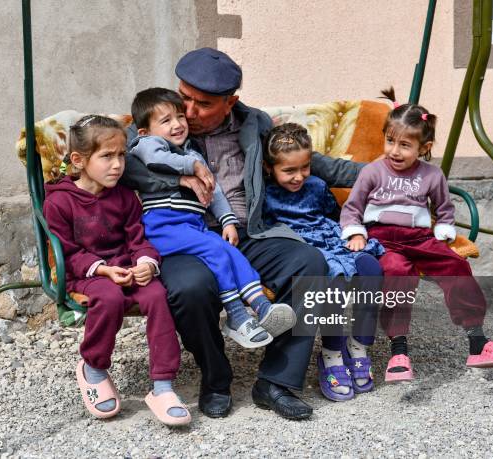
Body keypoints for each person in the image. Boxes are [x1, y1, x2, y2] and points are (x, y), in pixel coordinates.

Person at [121, 48, 365, 420]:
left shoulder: (254, 123)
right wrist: (180, 176)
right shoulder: (159, 117)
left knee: (310, 264)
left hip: (247, 232)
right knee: (190, 288)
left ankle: (276, 381)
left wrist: (385, 176)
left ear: (230, 102)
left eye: (202, 104)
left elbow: (308, 161)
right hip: (184, 234)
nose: (188, 111)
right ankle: (216, 378)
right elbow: (122, 166)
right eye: (184, 96)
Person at [340, 88, 493, 383]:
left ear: (424, 147)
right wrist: (356, 233)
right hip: (383, 238)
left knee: (456, 266)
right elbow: (352, 209)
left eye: (405, 145)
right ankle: (399, 350)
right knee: (397, 271)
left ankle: (477, 341)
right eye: (390, 141)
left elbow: (445, 209)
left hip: (420, 238)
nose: (395, 151)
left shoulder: (432, 175)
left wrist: (445, 228)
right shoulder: (372, 172)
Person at [43, 115, 191, 426]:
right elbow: (66, 253)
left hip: (125, 267)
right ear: (79, 160)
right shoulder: (58, 202)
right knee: (108, 297)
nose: (117, 165)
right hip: (85, 274)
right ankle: (94, 367)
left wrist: (145, 264)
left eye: (122, 155)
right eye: (107, 156)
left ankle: (163, 385)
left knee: (157, 296)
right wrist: (102, 270)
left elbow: (140, 239)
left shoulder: (125, 197)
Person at [129, 87, 295, 348]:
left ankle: (261, 306)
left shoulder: (192, 153)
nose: (177, 124)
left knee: (230, 251)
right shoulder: (147, 144)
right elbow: (155, 158)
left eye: (180, 117)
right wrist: (191, 168)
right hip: (163, 226)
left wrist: (227, 219)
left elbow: (213, 190)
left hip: (192, 226)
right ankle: (236, 315)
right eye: (166, 120)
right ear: (145, 131)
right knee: (216, 250)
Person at [262, 123, 384, 401]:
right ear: (270, 168)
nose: (298, 177)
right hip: (299, 245)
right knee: (335, 279)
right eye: (289, 171)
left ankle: (359, 346)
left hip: (330, 237)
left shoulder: (316, 185)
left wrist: (352, 235)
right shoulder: (266, 195)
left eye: (304, 167)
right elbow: (268, 231)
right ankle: (331, 353)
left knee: (371, 269)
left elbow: (337, 215)